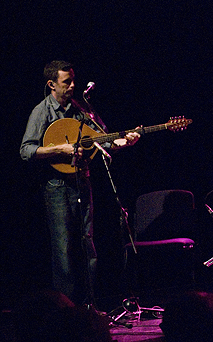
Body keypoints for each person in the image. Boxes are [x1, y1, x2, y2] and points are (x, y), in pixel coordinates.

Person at [20, 60, 140, 306]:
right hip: (55, 186)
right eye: (67, 82)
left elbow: (102, 139)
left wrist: (123, 142)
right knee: (63, 249)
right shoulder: (42, 111)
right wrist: (58, 149)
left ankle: (89, 305)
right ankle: (66, 311)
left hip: (82, 181)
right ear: (52, 85)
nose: (73, 86)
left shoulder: (80, 109)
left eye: (73, 80)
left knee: (88, 244)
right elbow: (26, 150)